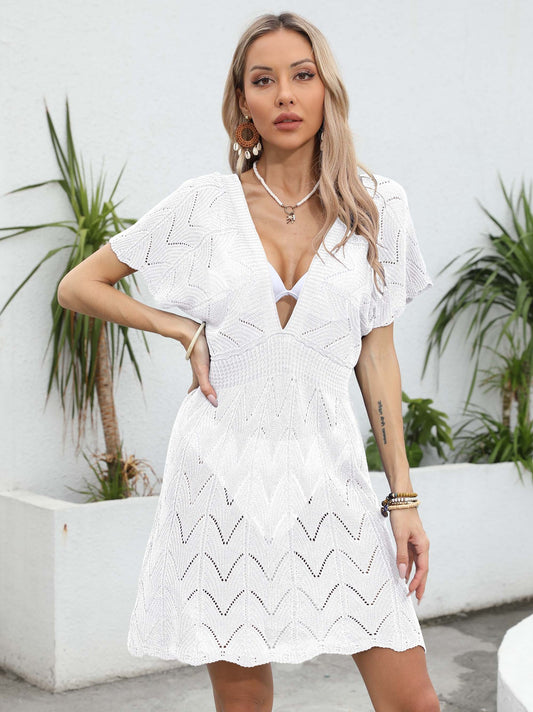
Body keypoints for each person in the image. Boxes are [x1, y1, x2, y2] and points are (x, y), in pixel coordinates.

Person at [57, 11, 440, 712]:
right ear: (243, 104)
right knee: (243, 706)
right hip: (220, 482)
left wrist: (402, 498)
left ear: (326, 90)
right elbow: (79, 285)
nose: (285, 95)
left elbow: (377, 358)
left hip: (331, 477)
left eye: (302, 75)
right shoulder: (206, 205)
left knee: (412, 700)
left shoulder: (377, 206)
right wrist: (181, 329)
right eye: (263, 81)